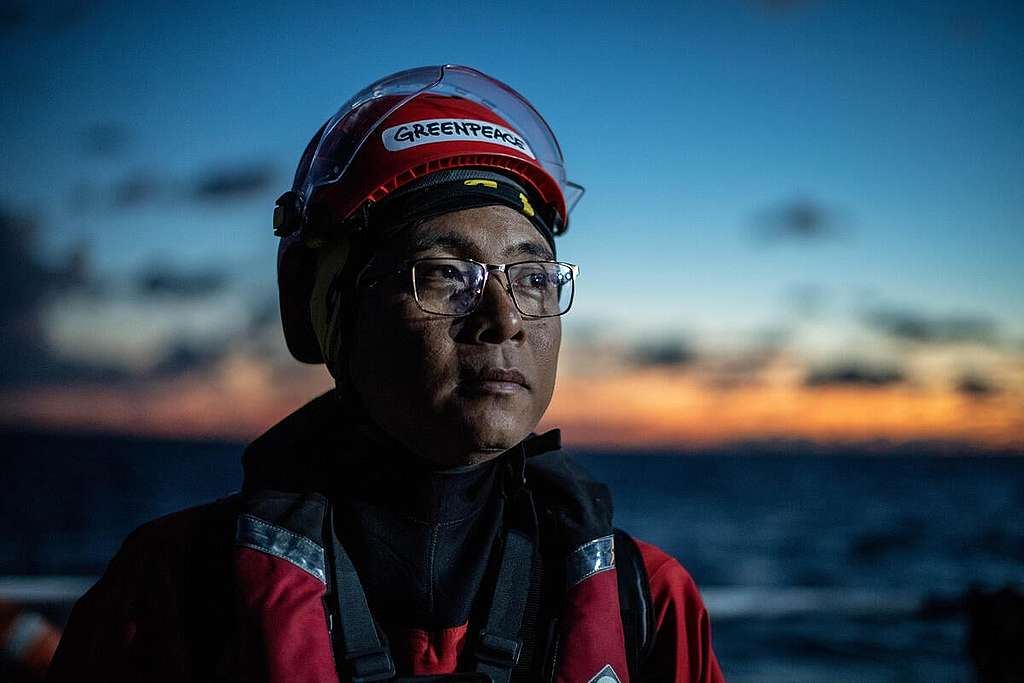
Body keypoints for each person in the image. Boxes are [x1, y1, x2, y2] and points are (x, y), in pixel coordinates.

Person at [47, 65, 725, 683]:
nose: (505, 318)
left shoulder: (650, 603)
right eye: (444, 274)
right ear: (328, 308)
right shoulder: (175, 589)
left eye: (533, 276)